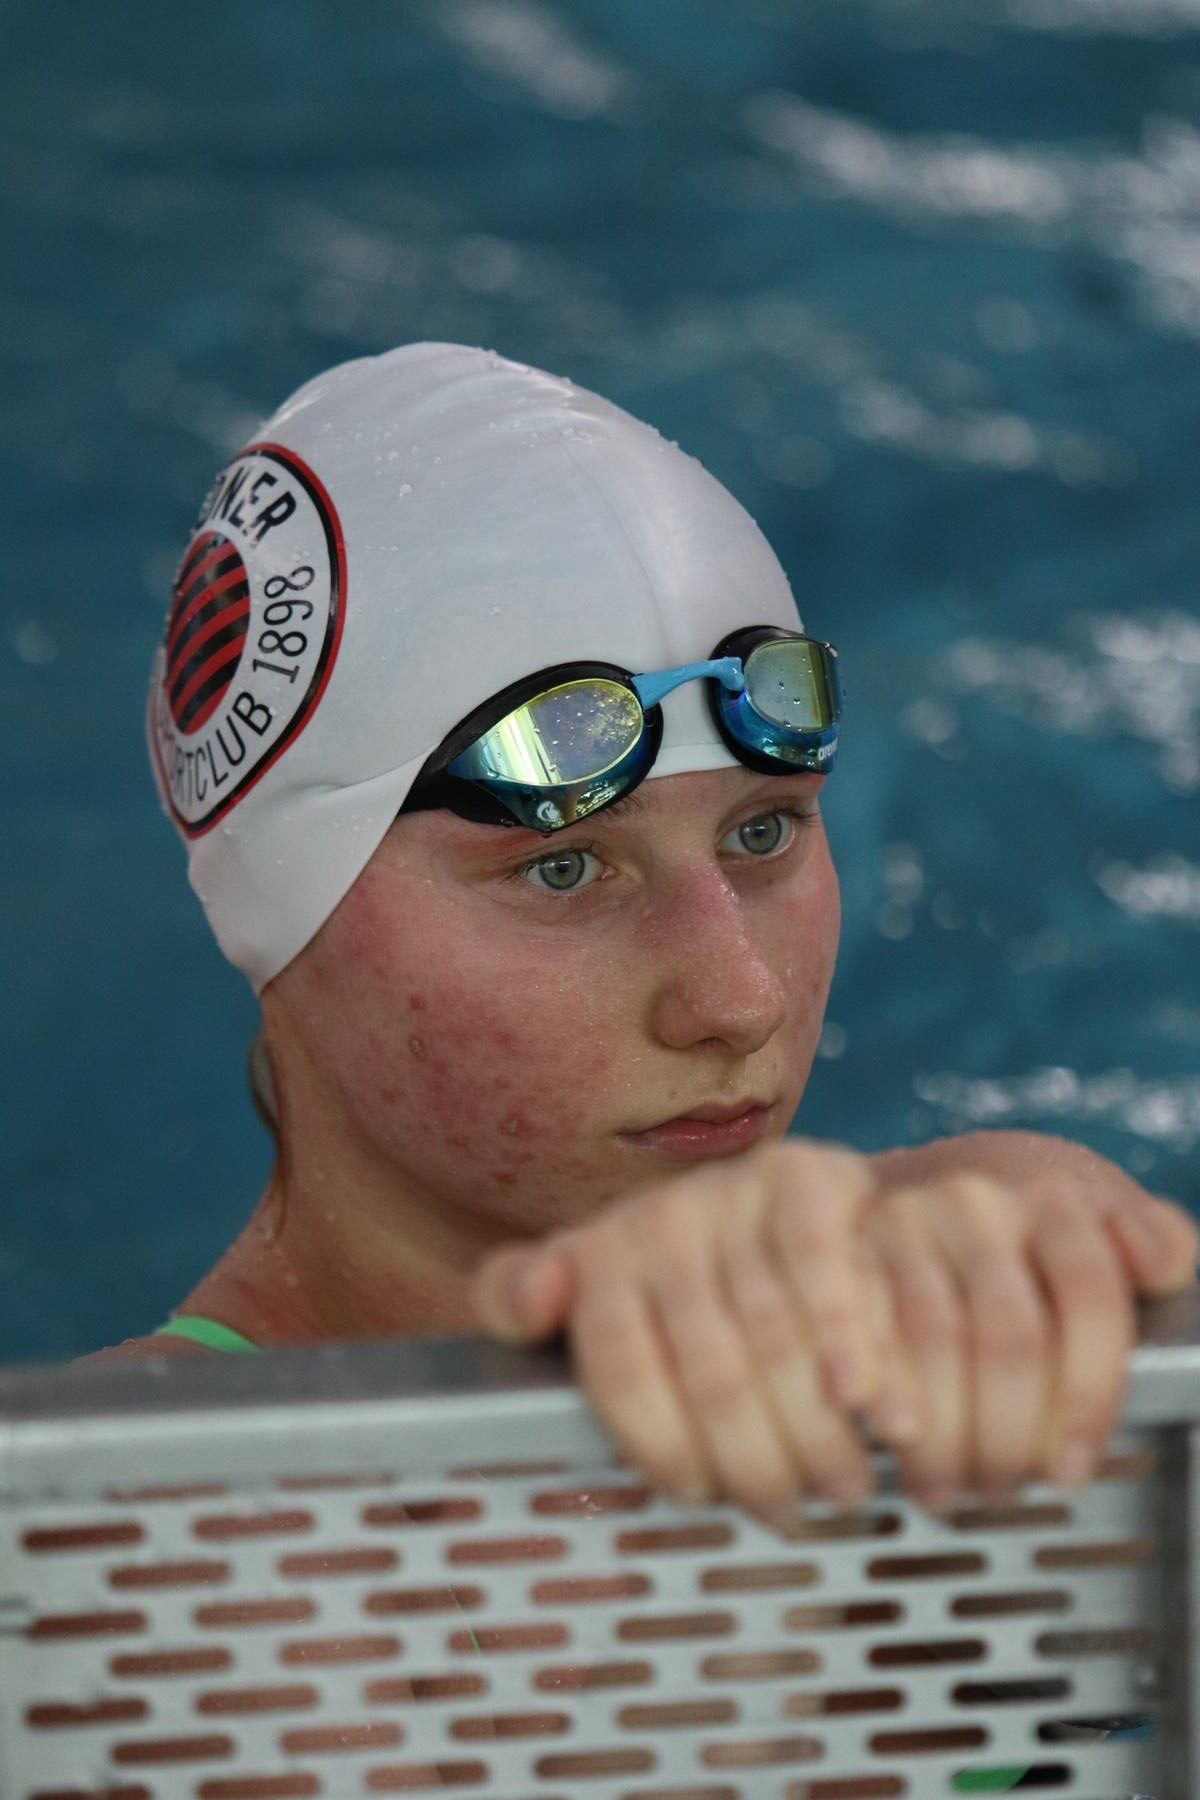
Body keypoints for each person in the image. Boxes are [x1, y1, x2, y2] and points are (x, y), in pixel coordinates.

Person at [84, 341, 1197, 1540]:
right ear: (289, 916)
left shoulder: (982, 1281)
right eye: (561, 868)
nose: (740, 1001)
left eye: (763, 834)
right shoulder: (120, 1540)